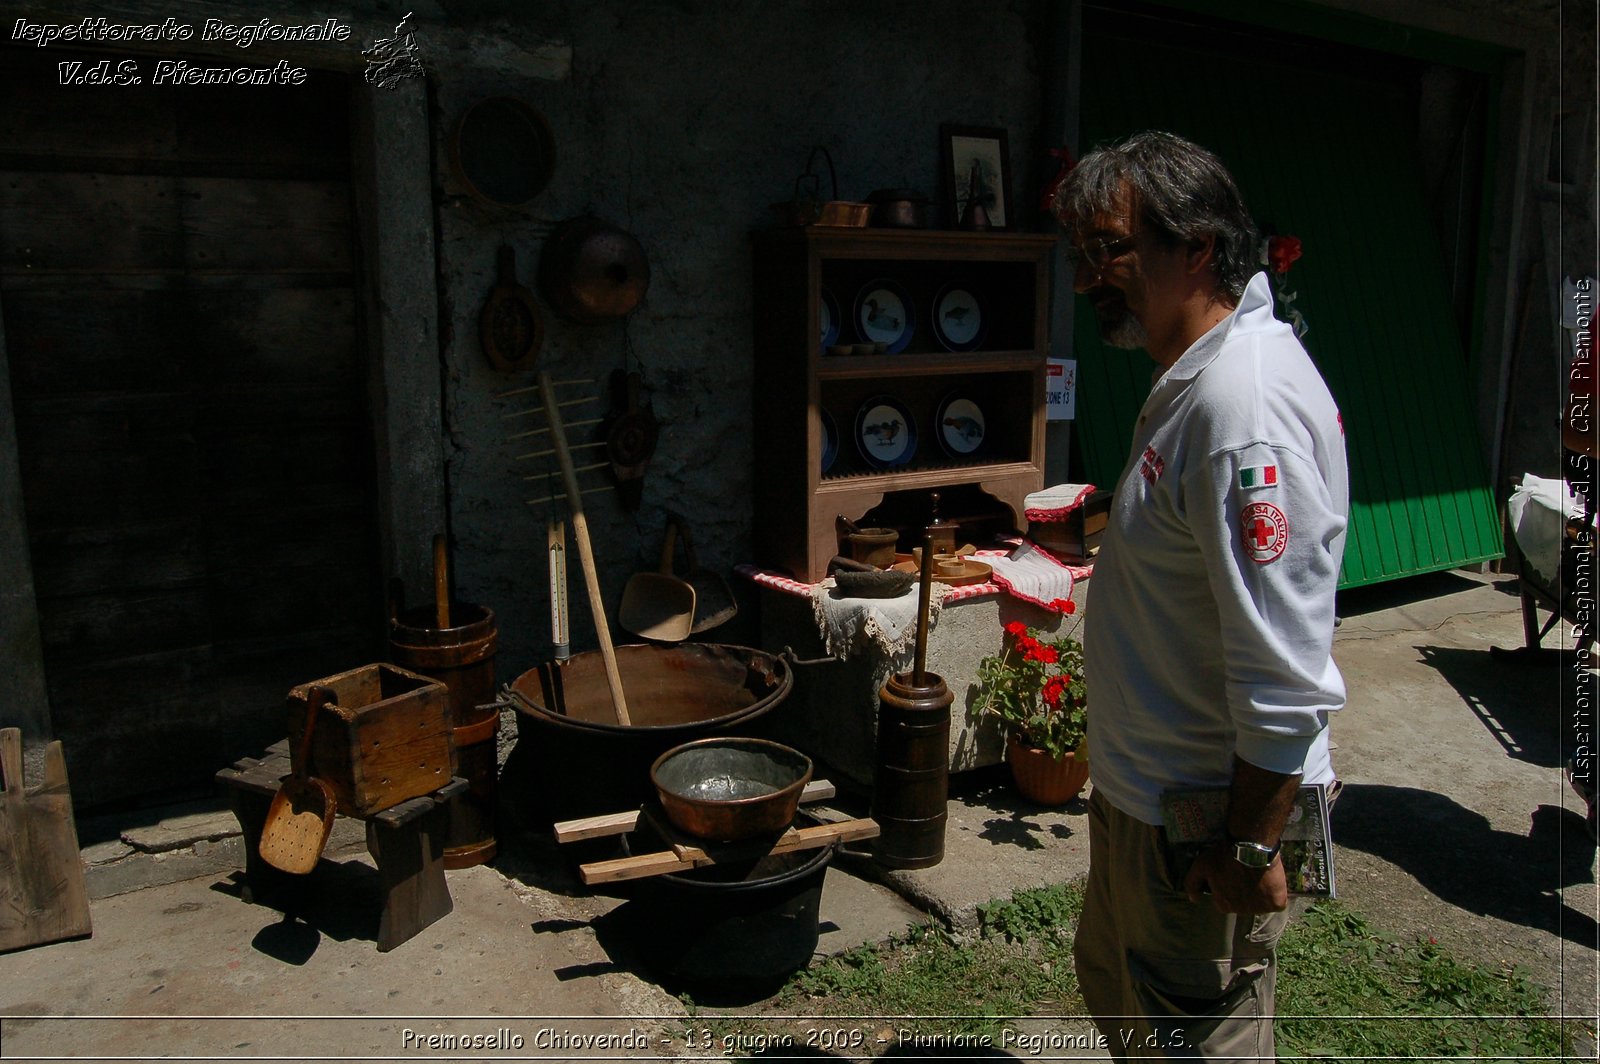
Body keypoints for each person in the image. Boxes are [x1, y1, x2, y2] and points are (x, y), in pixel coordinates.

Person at [1054, 131, 1348, 1059]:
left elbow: (1286, 669)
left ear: (1200, 249)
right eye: (1085, 254)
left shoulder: (1240, 410)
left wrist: (1249, 848)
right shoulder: (1196, 379)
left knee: (1194, 1030)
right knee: (1127, 993)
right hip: (1149, 797)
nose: (1087, 277)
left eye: (1109, 249)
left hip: (1201, 822)